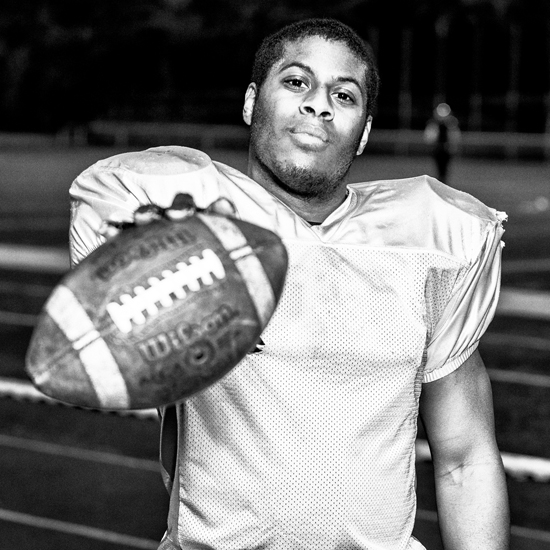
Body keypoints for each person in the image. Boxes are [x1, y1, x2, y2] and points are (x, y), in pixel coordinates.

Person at [69, 18, 510, 550]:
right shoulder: (193, 228)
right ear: (252, 101)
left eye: (343, 95)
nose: (318, 105)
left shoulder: (428, 246)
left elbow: (465, 459)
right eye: (297, 81)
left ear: (364, 132)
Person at [424, 102, 461, 184]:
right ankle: (441, 179)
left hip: (446, 148)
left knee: (445, 167)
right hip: (438, 148)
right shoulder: (434, 124)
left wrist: (453, 146)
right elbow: (429, 136)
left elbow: (455, 136)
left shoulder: (451, 124)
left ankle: (443, 179)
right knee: (439, 166)